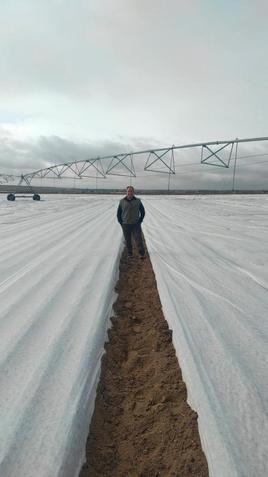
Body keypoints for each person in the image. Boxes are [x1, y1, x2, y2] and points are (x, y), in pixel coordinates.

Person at [117, 186, 145, 258]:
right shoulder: (122, 201)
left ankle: (141, 253)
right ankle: (130, 253)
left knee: (138, 238)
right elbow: (118, 213)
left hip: (136, 224)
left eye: (131, 191)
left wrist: (140, 220)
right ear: (126, 192)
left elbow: (142, 211)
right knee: (128, 240)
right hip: (126, 224)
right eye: (128, 191)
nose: (130, 192)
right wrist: (121, 223)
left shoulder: (138, 201)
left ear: (133, 192)